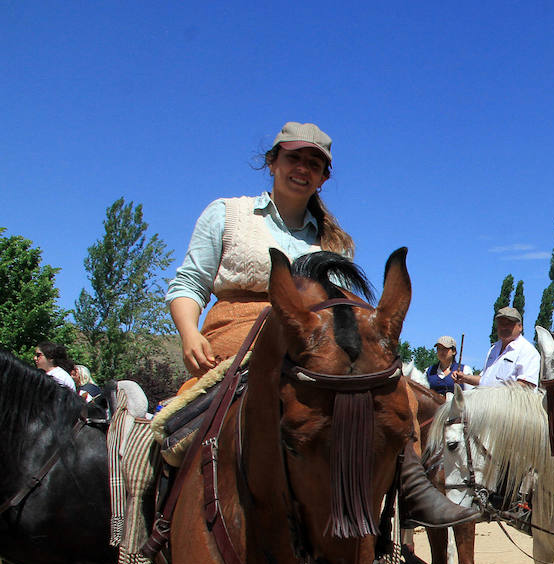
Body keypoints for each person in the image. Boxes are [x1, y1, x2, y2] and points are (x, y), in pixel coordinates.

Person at [164, 121, 472, 529]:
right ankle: (158, 520)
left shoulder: (334, 242)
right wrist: (189, 332)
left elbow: (344, 309)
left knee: (399, 394)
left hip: (315, 347)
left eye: (314, 163)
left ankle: (408, 490)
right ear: (272, 162)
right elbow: (189, 282)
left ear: (324, 177)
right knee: (174, 428)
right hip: (236, 341)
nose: (302, 168)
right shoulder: (228, 213)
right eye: (294, 157)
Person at [455, 307, 540, 388]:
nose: (504, 327)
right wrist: (464, 378)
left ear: (520, 327)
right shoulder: (493, 349)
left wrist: (494, 391)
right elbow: (484, 380)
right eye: (501, 323)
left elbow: (527, 385)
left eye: (509, 323)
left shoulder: (527, 351)